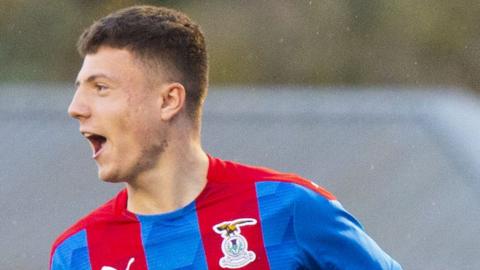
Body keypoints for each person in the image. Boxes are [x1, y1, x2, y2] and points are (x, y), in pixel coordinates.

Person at [50, 5, 402, 270]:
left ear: (168, 100)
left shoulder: (290, 208)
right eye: (80, 89)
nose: (76, 108)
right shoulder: (77, 254)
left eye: (101, 88)